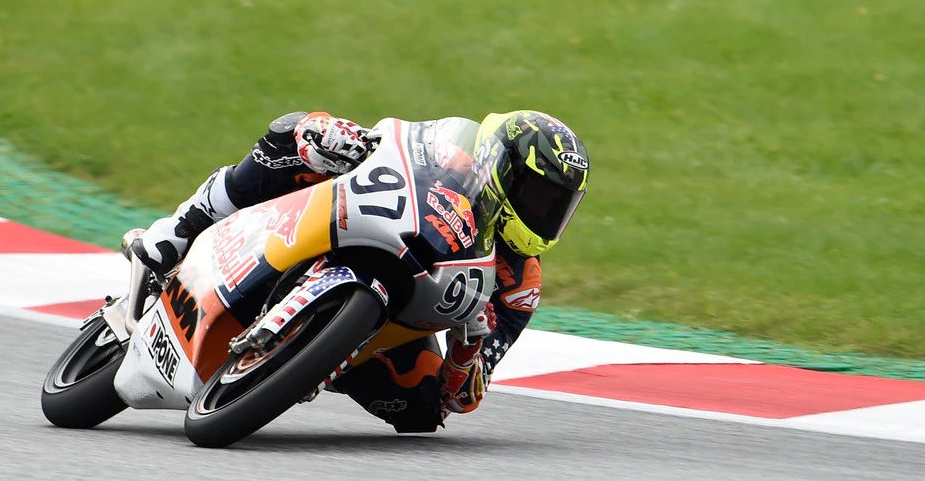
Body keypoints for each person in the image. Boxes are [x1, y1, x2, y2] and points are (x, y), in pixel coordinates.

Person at [129, 110, 590, 433]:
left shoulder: (519, 285)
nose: (543, 215)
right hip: (360, 223)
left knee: (423, 411)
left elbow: (463, 398)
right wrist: (337, 135)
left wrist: (469, 347)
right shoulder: (453, 156)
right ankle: (179, 230)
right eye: (536, 196)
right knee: (291, 134)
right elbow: (391, 145)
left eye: (556, 207)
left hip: (398, 317)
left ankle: (315, 358)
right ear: (500, 165)